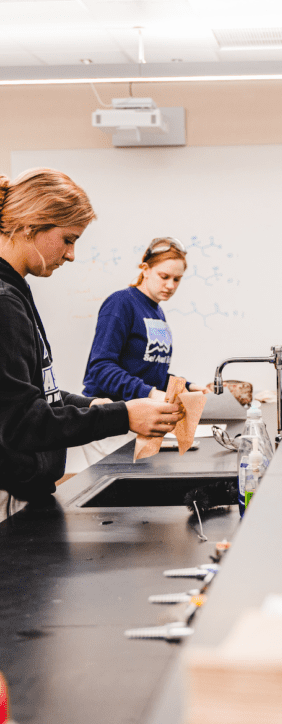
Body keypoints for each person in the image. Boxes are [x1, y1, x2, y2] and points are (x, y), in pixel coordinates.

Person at [0, 169, 181, 504]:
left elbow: (39, 395)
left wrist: (93, 404)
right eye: (68, 239)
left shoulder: (17, 290)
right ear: (29, 225)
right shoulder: (4, 302)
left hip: (29, 487)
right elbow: (23, 423)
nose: (70, 254)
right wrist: (123, 415)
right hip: (10, 492)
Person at [81, 236, 210, 463]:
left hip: (142, 420)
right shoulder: (121, 303)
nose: (170, 285)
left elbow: (150, 370)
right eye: (164, 276)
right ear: (145, 269)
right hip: (112, 421)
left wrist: (189, 387)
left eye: (177, 279)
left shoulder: (158, 313)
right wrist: (151, 394)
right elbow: (100, 368)